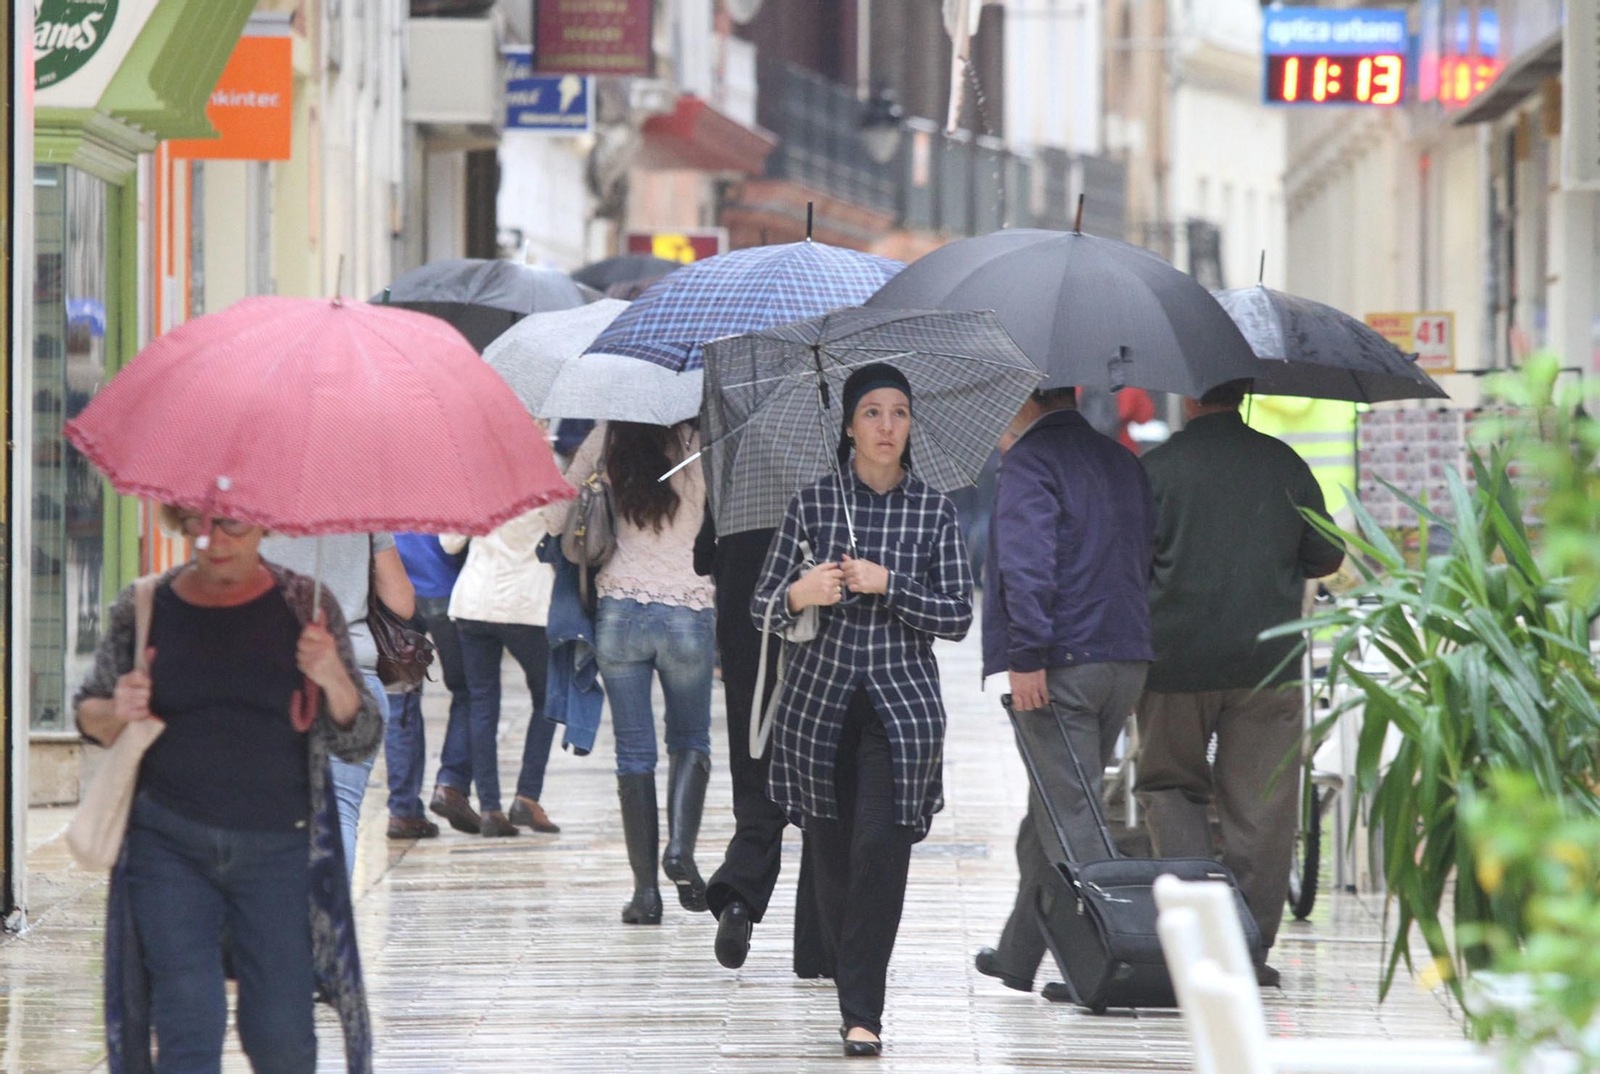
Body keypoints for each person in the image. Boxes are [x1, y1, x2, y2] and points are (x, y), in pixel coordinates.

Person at [75, 507, 382, 1071]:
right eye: (199, 523)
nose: (214, 541)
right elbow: (88, 714)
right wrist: (116, 708)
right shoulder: (145, 605)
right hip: (168, 848)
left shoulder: (304, 607)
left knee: (282, 1041)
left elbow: (359, 740)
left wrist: (332, 673)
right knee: (188, 1027)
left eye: (233, 526)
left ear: (266, 524)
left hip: (280, 854)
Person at [751, 363, 973, 1057]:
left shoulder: (934, 509)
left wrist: (890, 583)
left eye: (899, 413)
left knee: (881, 846)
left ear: (912, 425)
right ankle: (853, 984)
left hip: (900, 711)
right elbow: (759, 607)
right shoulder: (813, 506)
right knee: (833, 856)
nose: (886, 427)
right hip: (818, 711)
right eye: (872, 413)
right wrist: (799, 594)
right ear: (848, 425)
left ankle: (861, 1011)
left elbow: (959, 616)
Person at [1134, 378, 1345, 986]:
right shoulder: (1283, 462)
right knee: (1262, 809)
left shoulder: (1158, 469)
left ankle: (1199, 942)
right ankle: (1250, 952)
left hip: (1173, 661)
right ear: (1245, 393)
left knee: (1170, 786)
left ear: (1188, 397)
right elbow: (1326, 556)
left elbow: (1129, 558)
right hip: (1268, 665)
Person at [972, 386, 1157, 1001]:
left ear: (1020, 400)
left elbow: (1027, 567)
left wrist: (1026, 657)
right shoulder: (1120, 459)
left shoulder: (1030, 461)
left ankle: (1114, 961)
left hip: (1059, 666)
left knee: (1071, 816)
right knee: (1051, 806)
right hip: (1122, 659)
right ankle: (1019, 954)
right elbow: (1144, 555)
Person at [561, 420, 716, 924]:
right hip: (689, 608)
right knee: (690, 737)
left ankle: (645, 894)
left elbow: (554, 517)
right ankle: (679, 849)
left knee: (633, 752)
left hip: (619, 612)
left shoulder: (609, 435)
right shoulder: (706, 438)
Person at [696, 508, 831, 978]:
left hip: (745, 620)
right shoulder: (836, 482)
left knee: (756, 777)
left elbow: (700, 555)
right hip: (822, 631)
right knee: (824, 782)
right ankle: (819, 942)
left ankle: (739, 896)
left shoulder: (737, 450)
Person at [260, 531, 414, 879]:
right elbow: (402, 602)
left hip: (274, 675)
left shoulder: (259, 513)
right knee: (339, 810)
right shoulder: (366, 516)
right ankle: (329, 922)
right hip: (353, 675)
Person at [439, 509, 562, 838]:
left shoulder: (476, 479)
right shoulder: (543, 475)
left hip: (474, 601)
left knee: (482, 702)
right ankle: (527, 796)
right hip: (526, 605)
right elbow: (560, 526)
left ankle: (490, 808)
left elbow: (449, 543)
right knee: (549, 698)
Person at [384, 533, 469, 838]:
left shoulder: (380, 484)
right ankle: (450, 784)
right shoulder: (449, 482)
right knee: (469, 692)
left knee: (401, 703)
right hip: (446, 586)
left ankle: (403, 811)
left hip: (393, 592)